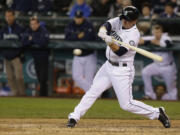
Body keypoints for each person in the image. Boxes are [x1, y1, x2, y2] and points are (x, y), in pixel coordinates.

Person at [67, 6, 170, 128]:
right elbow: (106, 25)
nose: (124, 21)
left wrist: (110, 42)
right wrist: (103, 31)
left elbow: (119, 52)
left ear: (134, 20)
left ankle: (157, 113)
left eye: (128, 20)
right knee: (93, 91)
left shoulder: (134, 35)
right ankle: (74, 116)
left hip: (122, 70)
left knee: (126, 104)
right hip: (108, 66)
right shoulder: (120, 20)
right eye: (124, 18)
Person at [140, 25, 178, 100]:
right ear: (153, 32)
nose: (157, 34)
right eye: (155, 32)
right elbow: (140, 40)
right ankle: (150, 95)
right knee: (145, 72)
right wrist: (150, 41)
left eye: (158, 32)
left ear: (162, 32)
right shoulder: (152, 38)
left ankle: (173, 99)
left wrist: (155, 42)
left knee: (171, 89)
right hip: (156, 66)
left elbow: (168, 44)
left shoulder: (166, 38)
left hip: (168, 67)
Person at [65, 10, 97, 92]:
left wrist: (75, 37)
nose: (78, 19)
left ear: (82, 18)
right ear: (74, 17)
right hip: (77, 55)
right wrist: (78, 36)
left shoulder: (88, 25)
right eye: (76, 18)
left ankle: (91, 97)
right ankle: (94, 92)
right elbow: (67, 38)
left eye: (79, 18)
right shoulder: (70, 25)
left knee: (89, 78)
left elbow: (90, 38)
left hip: (89, 55)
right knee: (76, 77)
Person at [22, 16, 49, 96]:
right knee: (39, 77)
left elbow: (43, 43)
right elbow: (23, 42)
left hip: (44, 57)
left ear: (38, 24)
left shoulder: (43, 30)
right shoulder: (28, 30)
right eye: (31, 24)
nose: (33, 26)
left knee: (43, 78)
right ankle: (42, 95)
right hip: (35, 57)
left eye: (35, 24)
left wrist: (32, 39)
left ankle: (44, 95)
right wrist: (33, 40)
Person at [0, 10, 25, 96]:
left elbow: (23, 42)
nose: (8, 18)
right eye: (6, 16)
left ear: (14, 17)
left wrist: (19, 53)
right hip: (7, 57)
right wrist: (4, 54)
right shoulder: (3, 29)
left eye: (10, 16)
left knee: (19, 77)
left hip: (16, 57)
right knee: (10, 78)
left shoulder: (19, 28)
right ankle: (15, 93)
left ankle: (22, 94)